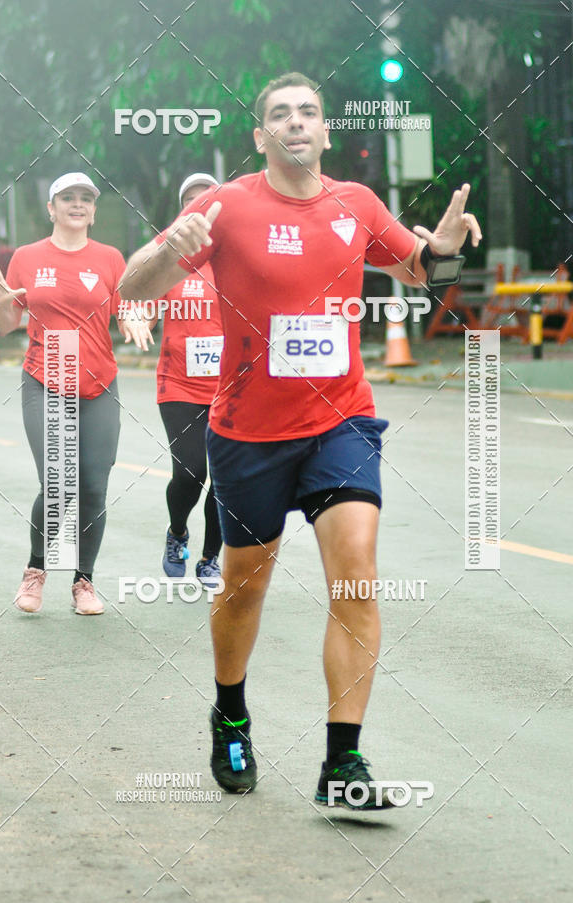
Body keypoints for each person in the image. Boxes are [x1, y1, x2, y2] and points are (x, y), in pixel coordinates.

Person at [119, 73, 481, 808]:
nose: (294, 123)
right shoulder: (222, 205)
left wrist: (442, 248)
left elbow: (423, 271)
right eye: (279, 114)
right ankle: (229, 712)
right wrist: (169, 252)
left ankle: (341, 762)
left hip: (340, 420)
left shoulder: (357, 204)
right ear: (261, 137)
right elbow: (132, 287)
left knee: (355, 572)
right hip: (248, 432)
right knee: (245, 589)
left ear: (323, 131)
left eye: (307, 113)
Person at [0, 172, 147, 615]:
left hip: (98, 383)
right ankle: (36, 570)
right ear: (51, 208)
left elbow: (127, 307)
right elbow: (7, 325)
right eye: (67, 198)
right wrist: (4, 302)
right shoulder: (27, 256)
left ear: (94, 211)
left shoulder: (112, 258)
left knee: (93, 487)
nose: (77, 204)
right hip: (46, 378)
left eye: (85, 199)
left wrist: (136, 318)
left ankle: (84, 581)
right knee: (59, 482)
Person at [152, 173, 223, 588]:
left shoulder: (236, 258)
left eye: (207, 201)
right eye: (190, 202)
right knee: (191, 471)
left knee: (227, 479)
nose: (199, 209)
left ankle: (210, 558)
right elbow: (140, 299)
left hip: (232, 387)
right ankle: (177, 532)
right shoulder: (168, 259)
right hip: (178, 385)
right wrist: (138, 317)